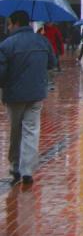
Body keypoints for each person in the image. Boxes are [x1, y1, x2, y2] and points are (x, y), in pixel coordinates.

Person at [0, 11, 57, 187]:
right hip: (36, 94)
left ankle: (16, 166)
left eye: (9, 24)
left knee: (16, 131)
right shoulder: (42, 41)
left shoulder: (7, 45)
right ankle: (27, 171)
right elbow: (52, 63)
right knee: (31, 131)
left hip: (14, 95)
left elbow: (1, 73)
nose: (8, 27)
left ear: (16, 23)